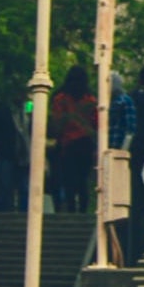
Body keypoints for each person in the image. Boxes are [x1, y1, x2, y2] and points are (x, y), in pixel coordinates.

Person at [50, 63, 97, 212]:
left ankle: (70, 209)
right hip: (85, 143)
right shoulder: (91, 100)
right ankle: (82, 210)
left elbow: (56, 123)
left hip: (67, 145)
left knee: (68, 180)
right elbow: (96, 124)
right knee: (82, 180)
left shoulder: (60, 98)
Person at [108, 69, 136, 151]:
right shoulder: (105, 103)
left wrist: (123, 150)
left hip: (118, 148)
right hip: (106, 150)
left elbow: (130, 129)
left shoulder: (125, 101)